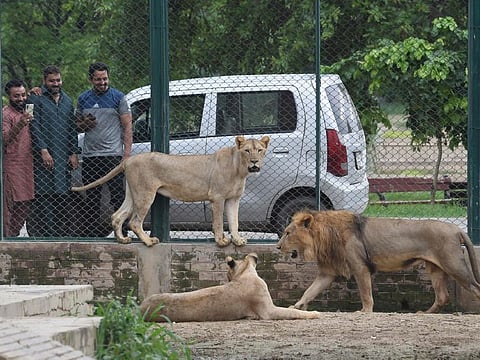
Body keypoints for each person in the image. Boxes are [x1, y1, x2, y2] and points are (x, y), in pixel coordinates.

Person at [76, 62, 132, 237]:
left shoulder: (118, 97)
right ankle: (92, 234)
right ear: (91, 79)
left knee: (117, 195)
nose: (102, 82)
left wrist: (126, 154)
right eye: (98, 79)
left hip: (112, 155)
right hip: (91, 155)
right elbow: (76, 125)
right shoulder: (83, 98)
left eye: (105, 78)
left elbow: (128, 125)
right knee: (91, 196)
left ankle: (122, 231)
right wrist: (85, 123)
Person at [28, 65, 79, 237]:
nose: (55, 83)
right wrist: (43, 149)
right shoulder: (33, 99)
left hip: (63, 156)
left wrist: (73, 152)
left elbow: (72, 128)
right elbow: (32, 126)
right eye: (51, 81)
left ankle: (60, 234)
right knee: (44, 195)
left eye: (58, 80)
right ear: (44, 81)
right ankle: (46, 235)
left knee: (62, 195)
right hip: (43, 156)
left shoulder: (67, 100)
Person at [2, 79, 34, 237]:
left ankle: (13, 236)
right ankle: (6, 238)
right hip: (12, 164)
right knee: (9, 205)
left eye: (23, 95)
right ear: (8, 96)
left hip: (28, 164)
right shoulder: (6, 114)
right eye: (16, 96)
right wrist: (20, 124)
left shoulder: (27, 110)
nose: (21, 99)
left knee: (25, 203)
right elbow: (5, 138)